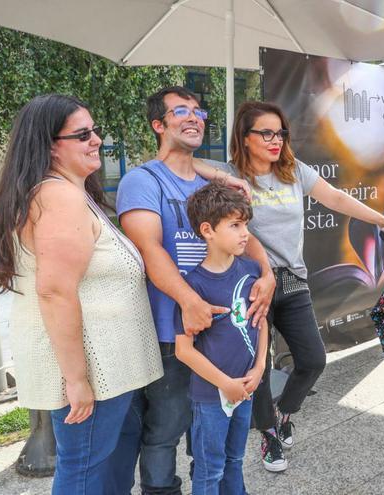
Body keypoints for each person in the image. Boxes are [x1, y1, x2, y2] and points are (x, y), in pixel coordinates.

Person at [0, 94, 163, 493]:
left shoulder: (69, 192)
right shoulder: (57, 197)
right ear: (50, 145)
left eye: (94, 130)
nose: (96, 139)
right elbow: (54, 292)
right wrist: (77, 379)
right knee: (84, 472)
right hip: (92, 372)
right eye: (82, 134)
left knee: (107, 465)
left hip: (109, 369)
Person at [219, 101, 384, 471]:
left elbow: (335, 197)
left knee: (313, 360)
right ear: (245, 136)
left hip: (292, 280)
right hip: (251, 284)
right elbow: (188, 166)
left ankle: (284, 413)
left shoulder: (292, 171)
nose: (275, 140)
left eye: (280, 132)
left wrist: (381, 219)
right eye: (265, 133)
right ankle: (269, 434)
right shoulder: (229, 175)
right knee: (258, 365)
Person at [117, 86, 274, 493]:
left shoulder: (213, 181)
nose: (194, 117)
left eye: (199, 112)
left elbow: (246, 234)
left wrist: (268, 274)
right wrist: (189, 300)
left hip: (223, 332)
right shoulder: (141, 180)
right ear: (158, 124)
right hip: (175, 331)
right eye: (181, 111)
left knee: (215, 434)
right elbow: (148, 250)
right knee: (165, 429)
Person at [175, 182, 268, 495]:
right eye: (235, 225)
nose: (245, 233)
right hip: (211, 397)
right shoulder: (194, 286)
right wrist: (224, 383)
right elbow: (184, 350)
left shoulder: (252, 270)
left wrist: (259, 369)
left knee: (236, 459)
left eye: (246, 224)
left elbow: (261, 322)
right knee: (209, 470)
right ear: (208, 230)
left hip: (246, 386)